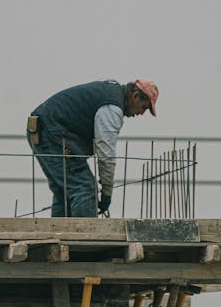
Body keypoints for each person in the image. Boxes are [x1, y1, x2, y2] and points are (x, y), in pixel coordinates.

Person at [27, 79, 158, 217]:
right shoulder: (112, 108)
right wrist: (107, 193)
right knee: (84, 189)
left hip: (42, 128)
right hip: (52, 132)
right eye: (144, 107)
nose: (141, 113)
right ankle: (85, 231)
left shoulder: (110, 94)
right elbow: (106, 154)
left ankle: (60, 230)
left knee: (64, 192)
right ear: (135, 96)